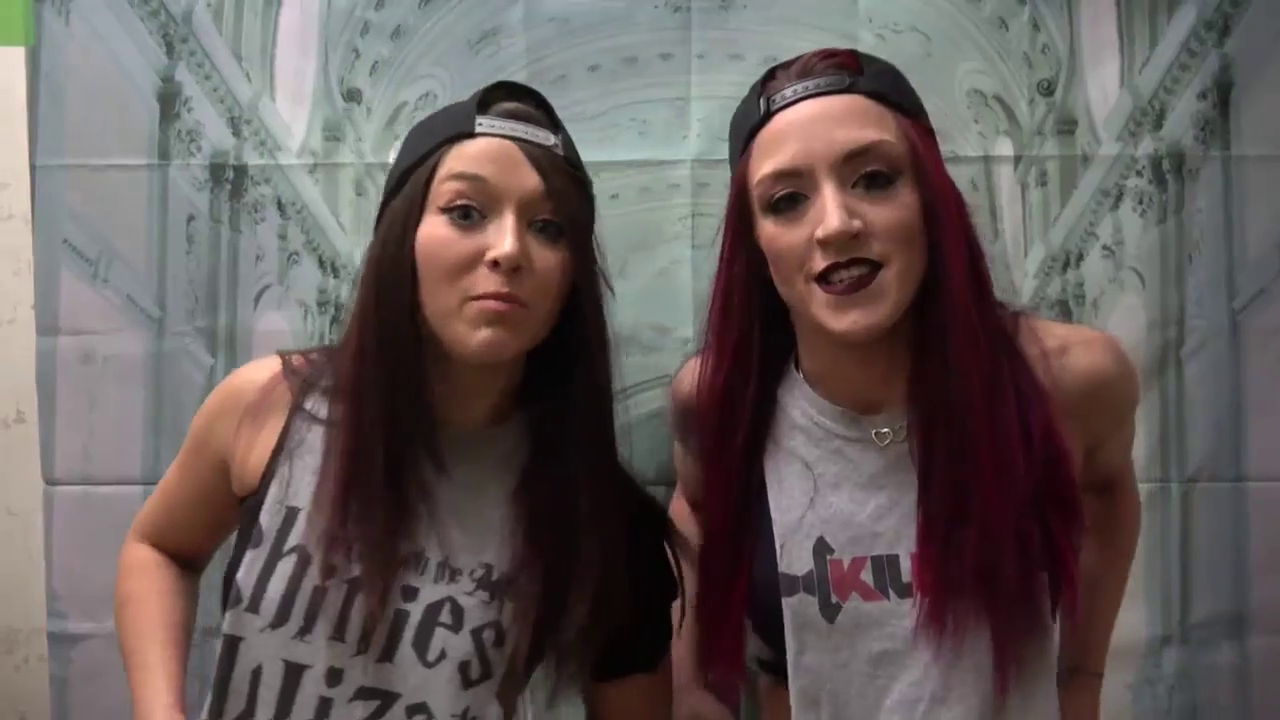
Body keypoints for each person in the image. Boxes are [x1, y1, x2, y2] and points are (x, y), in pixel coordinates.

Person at [115, 80, 679, 720]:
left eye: (548, 227)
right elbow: (160, 549)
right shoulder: (271, 405)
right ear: (402, 233)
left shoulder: (600, 520)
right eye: (466, 212)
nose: (508, 250)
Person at [667, 48, 1141, 720]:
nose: (836, 224)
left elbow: (1108, 491)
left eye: (875, 179)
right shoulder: (721, 399)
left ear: (930, 200)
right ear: (755, 242)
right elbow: (693, 510)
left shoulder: (1067, 380)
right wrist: (690, 685)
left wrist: (1082, 679)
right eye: (787, 201)